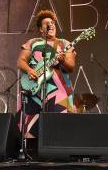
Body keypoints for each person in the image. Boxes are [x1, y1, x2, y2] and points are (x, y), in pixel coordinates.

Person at [16, 10, 76, 139]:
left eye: (53, 23)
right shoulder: (33, 42)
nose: (51, 25)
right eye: (47, 24)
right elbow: (20, 61)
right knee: (30, 129)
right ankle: (30, 155)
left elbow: (71, 66)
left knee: (59, 127)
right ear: (41, 29)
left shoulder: (64, 44)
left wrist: (62, 60)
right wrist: (29, 70)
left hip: (59, 91)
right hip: (34, 90)